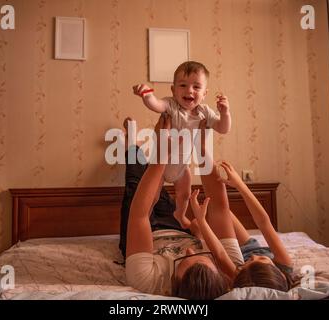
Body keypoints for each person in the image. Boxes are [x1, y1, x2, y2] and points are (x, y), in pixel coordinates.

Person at [120, 114, 243, 300]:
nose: (189, 250)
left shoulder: (148, 281)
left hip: (148, 235)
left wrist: (161, 154)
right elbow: (219, 207)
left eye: (182, 261)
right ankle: (142, 151)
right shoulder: (230, 267)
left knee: (135, 186)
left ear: (172, 287)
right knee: (156, 188)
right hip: (178, 226)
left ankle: (132, 145)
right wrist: (201, 146)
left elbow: (140, 215)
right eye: (202, 257)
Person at [132, 61, 231, 230]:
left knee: (185, 194)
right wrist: (147, 95)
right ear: (173, 90)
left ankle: (180, 214)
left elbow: (223, 129)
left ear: (205, 93)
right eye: (183, 85)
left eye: (196, 87)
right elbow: (156, 105)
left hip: (182, 167)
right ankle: (146, 217)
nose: (189, 90)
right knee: (153, 196)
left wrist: (225, 113)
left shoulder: (204, 112)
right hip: (162, 166)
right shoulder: (171, 105)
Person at [199, 160, 295, 291]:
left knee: (215, 207)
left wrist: (202, 222)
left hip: (238, 258)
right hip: (252, 245)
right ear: (279, 274)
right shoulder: (285, 265)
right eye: (261, 259)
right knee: (221, 211)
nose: (254, 257)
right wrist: (240, 185)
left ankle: (201, 149)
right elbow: (263, 222)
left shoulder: (239, 276)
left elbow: (220, 254)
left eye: (251, 261)